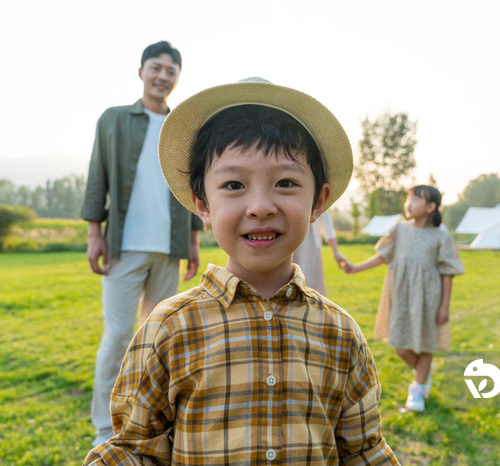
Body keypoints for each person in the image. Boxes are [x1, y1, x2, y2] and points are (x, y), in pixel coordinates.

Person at [82, 77, 400, 465]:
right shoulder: (167, 328)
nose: (260, 206)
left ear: (319, 202)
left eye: (285, 182)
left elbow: (364, 451)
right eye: (234, 184)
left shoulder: (341, 333)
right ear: (202, 204)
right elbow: (135, 449)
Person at [81, 40, 203, 447]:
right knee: (117, 335)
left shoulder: (183, 128)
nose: (163, 76)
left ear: (177, 79)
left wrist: (192, 241)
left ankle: (149, 422)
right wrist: (94, 232)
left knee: (158, 340)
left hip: (169, 248)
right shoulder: (113, 120)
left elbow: (191, 188)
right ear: (141, 72)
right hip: (124, 246)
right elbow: (97, 175)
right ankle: (103, 428)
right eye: (156, 67)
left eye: (171, 70)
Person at [343, 185, 464, 412]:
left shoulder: (441, 235)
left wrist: (445, 305)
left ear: (431, 207)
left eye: (416, 199)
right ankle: (423, 373)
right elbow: (383, 255)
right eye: (409, 198)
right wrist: (356, 268)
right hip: (400, 294)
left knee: (426, 344)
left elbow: (447, 271)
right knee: (399, 345)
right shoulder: (399, 229)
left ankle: (417, 390)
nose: (409, 203)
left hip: (429, 297)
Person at [292, 209, 347, 295]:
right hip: (288, 237)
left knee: (309, 286)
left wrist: (336, 251)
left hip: (308, 242)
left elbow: (324, 216)